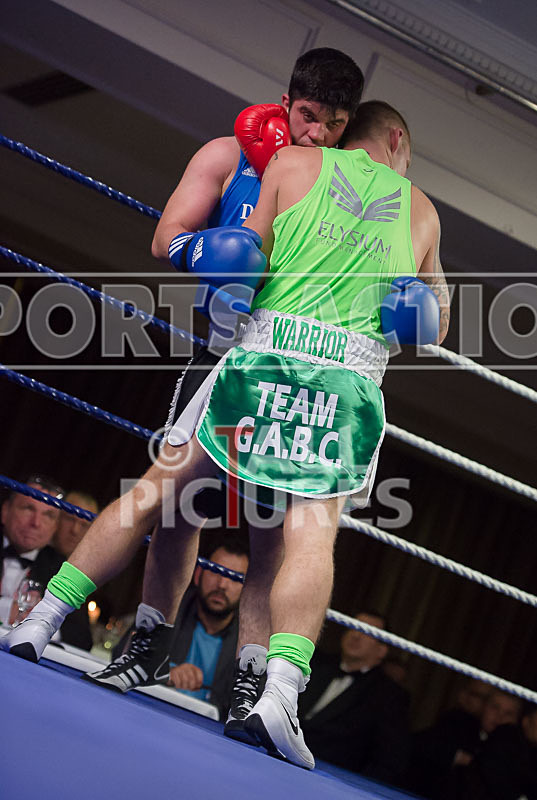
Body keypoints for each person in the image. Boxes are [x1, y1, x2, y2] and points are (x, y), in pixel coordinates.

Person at [3, 100, 449, 771]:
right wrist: (409, 309)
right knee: (309, 532)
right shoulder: (419, 208)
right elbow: (433, 322)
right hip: (344, 381)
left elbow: (247, 262)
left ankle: (39, 621)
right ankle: (280, 691)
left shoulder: (291, 164)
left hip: (263, 353)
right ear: (394, 140)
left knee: (158, 493)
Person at [77, 49, 364, 699]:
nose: (316, 134)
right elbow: (165, 237)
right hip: (222, 350)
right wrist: (215, 254)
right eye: (309, 115)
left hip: (290, 368)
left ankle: (250, 676)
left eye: (334, 123)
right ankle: (149, 640)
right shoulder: (225, 156)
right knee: (178, 506)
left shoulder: (346, 190)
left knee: (269, 529)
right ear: (287, 101)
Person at [89, 540, 248, 719]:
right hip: (143, 711)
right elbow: (121, 656)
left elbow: (247, 706)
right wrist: (166, 674)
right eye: (215, 571)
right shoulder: (166, 608)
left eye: (235, 577)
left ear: (248, 590)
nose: (222, 584)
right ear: (197, 575)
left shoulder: (249, 638)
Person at [299, 611, 409, 781]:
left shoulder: (389, 695)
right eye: (353, 627)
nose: (356, 635)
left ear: (381, 650)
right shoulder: (314, 662)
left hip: (330, 780)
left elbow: (389, 758)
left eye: (367, 632)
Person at [406, 686, 523, 796]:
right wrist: (460, 757)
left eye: (508, 713)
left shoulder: (519, 754)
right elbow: (420, 744)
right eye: (495, 707)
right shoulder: (458, 723)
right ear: (483, 707)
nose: (499, 716)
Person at [0, 475, 63, 629]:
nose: (36, 523)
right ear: (5, 511)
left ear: (55, 527)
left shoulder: (61, 567)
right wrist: (6, 609)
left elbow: (80, 636)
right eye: (28, 508)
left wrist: (41, 621)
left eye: (48, 515)